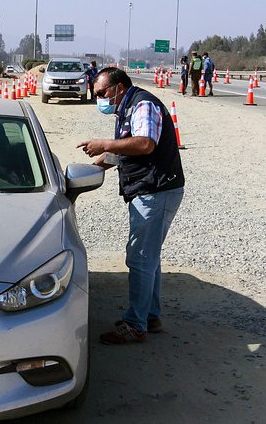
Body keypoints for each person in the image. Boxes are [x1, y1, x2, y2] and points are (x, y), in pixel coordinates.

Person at [77, 67, 185, 345]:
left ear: (119, 88)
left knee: (139, 257)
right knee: (149, 257)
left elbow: (145, 144)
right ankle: (150, 315)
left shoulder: (142, 105)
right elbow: (123, 150)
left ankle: (136, 325)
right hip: (150, 188)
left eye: (101, 93)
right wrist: (94, 167)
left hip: (156, 190)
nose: (98, 98)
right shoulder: (126, 109)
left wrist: (103, 144)